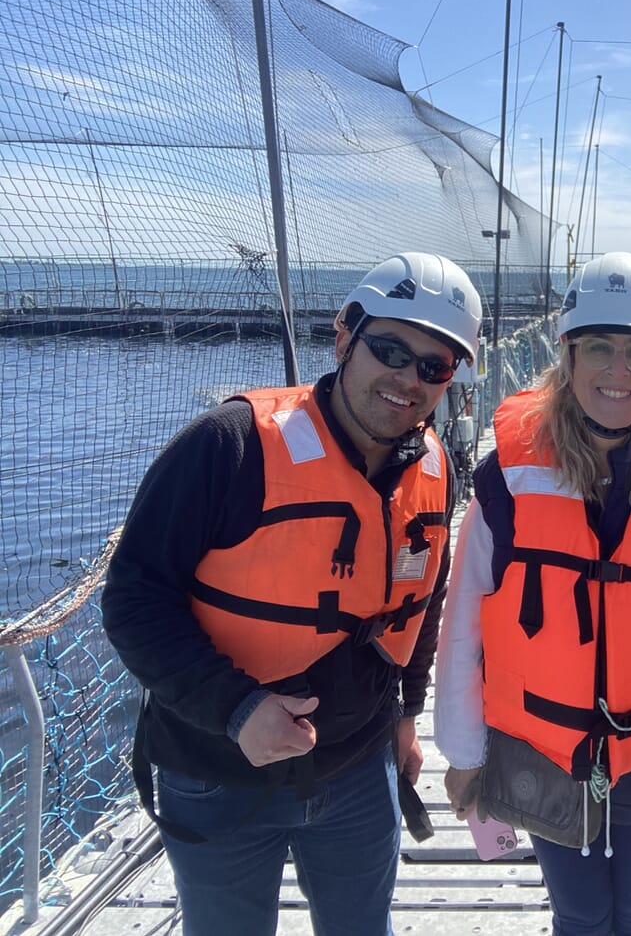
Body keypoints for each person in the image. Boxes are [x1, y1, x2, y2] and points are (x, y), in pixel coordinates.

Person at [102, 252, 482, 936]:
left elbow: (423, 598)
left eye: (435, 366)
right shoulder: (229, 446)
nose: (408, 379)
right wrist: (238, 708)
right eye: (391, 349)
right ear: (343, 335)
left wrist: (409, 712)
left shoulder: (435, 466)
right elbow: (133, 598)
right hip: (217, 770)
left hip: (359, 767)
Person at [434, 252, 631, 936]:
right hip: (542, 746)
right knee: (578, 912)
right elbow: (462, 627)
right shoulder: (507, 477)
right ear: (567, 355)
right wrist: (462, 754)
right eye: (599, 347)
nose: (618, 370)